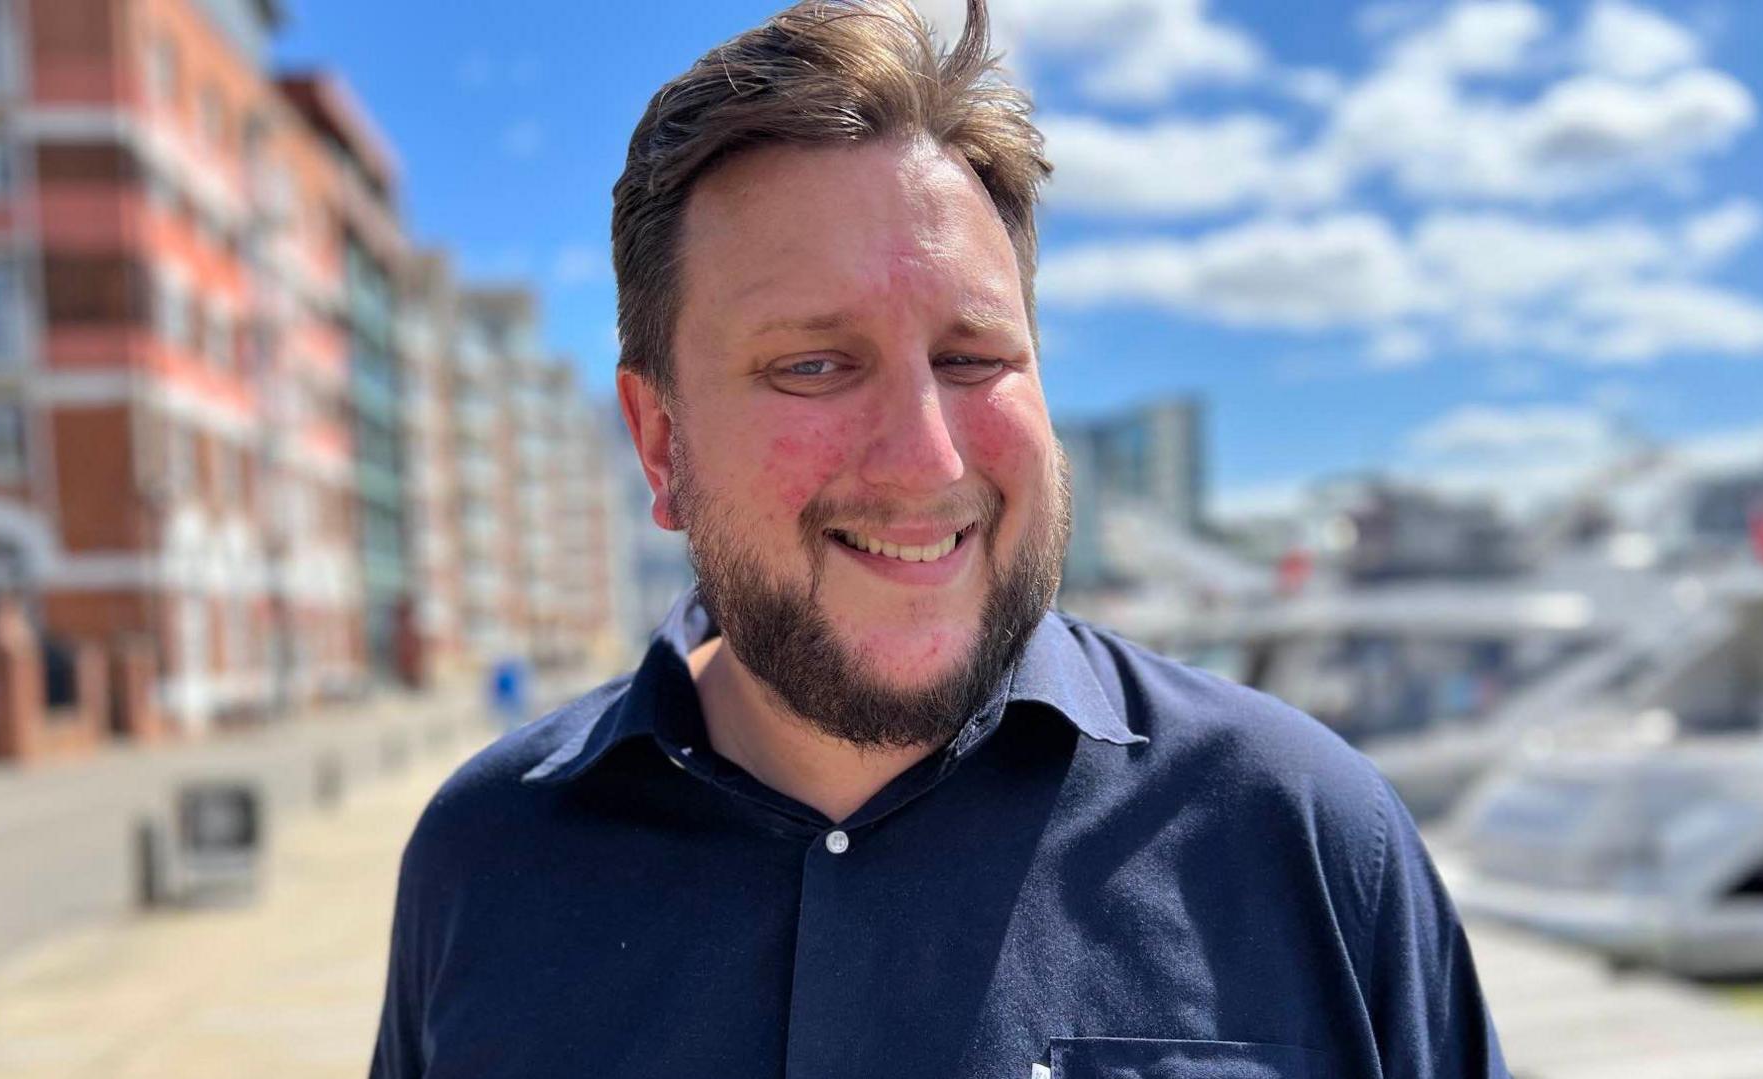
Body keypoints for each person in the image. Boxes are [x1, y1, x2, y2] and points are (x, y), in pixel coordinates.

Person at [370, 1, 1510, 1075]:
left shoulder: (1305, 835)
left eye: (974, 358)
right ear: (661, 441)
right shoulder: (487, 857)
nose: (926, 460)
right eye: (812, 365)